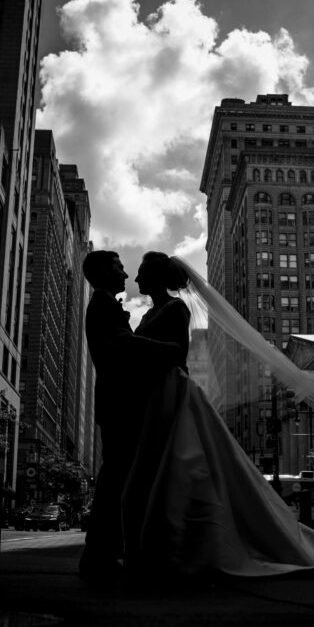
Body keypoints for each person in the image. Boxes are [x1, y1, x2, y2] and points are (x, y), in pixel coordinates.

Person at [121, 252, 314, 579]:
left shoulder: (176, 308)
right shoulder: (150, 313)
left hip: (172, 392)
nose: (136, 280)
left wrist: (132, 346)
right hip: (155, 395)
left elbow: (177, 352)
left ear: (159, 276)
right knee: (159, 466)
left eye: (142, 272)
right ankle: (161, 544)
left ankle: (183, 544)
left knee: (181, 464)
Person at [77, 250, 184, 585]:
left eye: (131, 270)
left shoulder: (110, 304)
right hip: (119, 404)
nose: (128, 276)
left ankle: (107, 552)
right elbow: (121, 343)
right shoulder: (103, 304)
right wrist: (168, 351)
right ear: (104, 273)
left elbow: (129, 345)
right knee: (115, 480)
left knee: (121, 479)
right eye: (120, 268)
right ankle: (100, 554)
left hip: (128, 403)